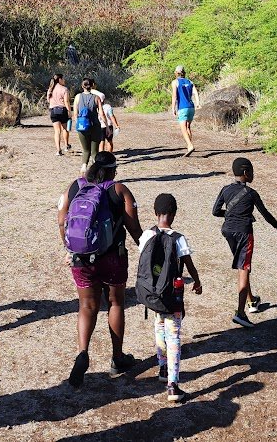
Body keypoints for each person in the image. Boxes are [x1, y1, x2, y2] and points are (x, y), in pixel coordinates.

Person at [57, 149, 144, 388]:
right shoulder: (119, 190)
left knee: (86, 305)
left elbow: (62, 221)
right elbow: (134, 228)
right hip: (112, 257)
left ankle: (82, 353)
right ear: (113, 170)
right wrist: (147, 249)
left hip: (81, 258)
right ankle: (117, 358)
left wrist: (70, 248)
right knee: (115, 303)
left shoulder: (74, 187)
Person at [137, 193, 202, 403]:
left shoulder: (147, 235)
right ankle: (173, 386)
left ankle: (163, 367)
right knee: (173, 335)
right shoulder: (178, 238)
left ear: (155, 213)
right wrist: (197, 281)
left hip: (152, 294)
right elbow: (189, 263)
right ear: (173, 214)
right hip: (172, 295)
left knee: (159, 326)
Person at [212, 157, 277, 328]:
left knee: (241, 266)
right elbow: (265, 214)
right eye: (252, 172)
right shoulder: (252, 194)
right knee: (244, 268)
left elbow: (215, 211)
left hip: (227, 231)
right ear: (246, 173)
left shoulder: (225, 189)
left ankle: (252, 300)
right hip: (244, 233)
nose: (253, 174)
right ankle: (240, 313)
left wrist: (231, 215)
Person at [71, 77, 106, 171]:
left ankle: (83, 167)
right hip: (95, 126)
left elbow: (75, 114)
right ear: (92, 86)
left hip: (82, 126)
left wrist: (78, 123)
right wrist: (106, 125)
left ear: (82, 86)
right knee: (94, 152)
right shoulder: (96, 98)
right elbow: (101, 113)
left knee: (86, 150)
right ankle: (96, 171)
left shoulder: (78, 97)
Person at [170, 66, 198, 155]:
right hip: (191, 107)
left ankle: (190, 145)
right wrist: (198, 103)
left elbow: (174, 96)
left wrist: (173, 108)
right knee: (188, 127)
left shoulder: (175, 82)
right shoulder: (190, 81)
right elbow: (196, 93)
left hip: (182, 108)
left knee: (183, 128)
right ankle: (189, 145)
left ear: (176, 73)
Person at [47, 73, 71, 156]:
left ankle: (58, 149)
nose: (64, 80)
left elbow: (48, 100)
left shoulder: (50, 89)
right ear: (60, 79)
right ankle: (66, 145)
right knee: (65, 128)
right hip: (62, 110)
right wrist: (69, 111)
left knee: (57, 131)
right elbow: (66, 101)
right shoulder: (64, 89)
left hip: (53, 111)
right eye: (63, 79)